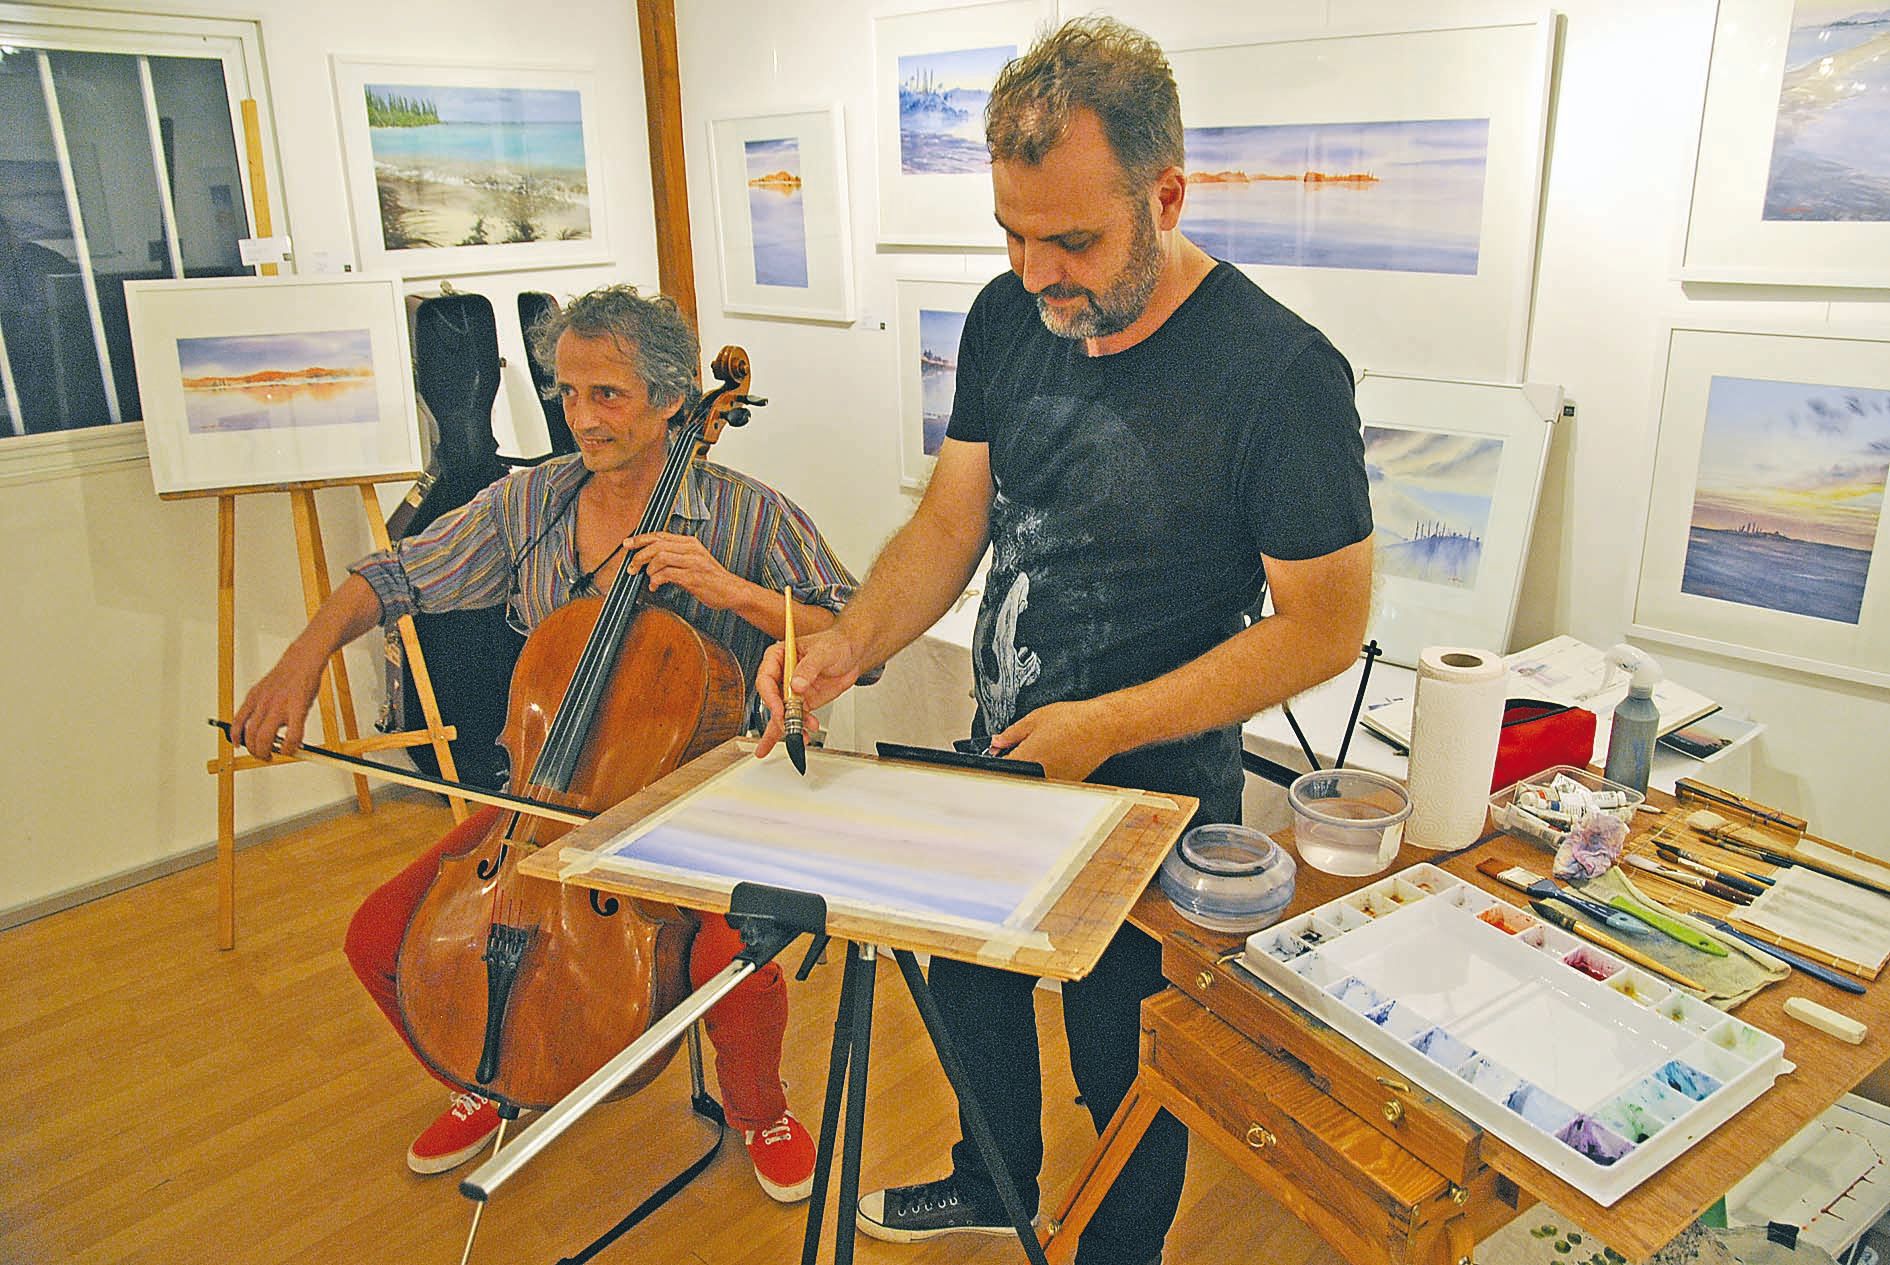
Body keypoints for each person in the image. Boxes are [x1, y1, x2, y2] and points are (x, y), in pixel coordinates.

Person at [754, 18, 1373, 1265]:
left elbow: (1327, 625)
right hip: (1013, 744)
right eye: (1014, 235)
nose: (1040, 274)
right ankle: (992, 1175)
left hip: (1152, 786)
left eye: (1075, 241)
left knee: (1123, 1058)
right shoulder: (1005, 316)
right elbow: (951, 521)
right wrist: (847, 642)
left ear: (1168, 196)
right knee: (970, 975)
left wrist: (1109, 725)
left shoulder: (1281, 373)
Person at [232, 284, 859, 1202]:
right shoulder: (529, 503)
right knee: (380, 937)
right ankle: (489, 1071)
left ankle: (759, 1105)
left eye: (606, 394)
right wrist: (303, 657)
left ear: (672, 399)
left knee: (730, 951)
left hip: (702, 798)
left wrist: (735, 593)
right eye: (567, 393)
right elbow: (396, 575)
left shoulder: (749, 516)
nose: (582, 418)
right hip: (552, 791)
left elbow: (856, 636)